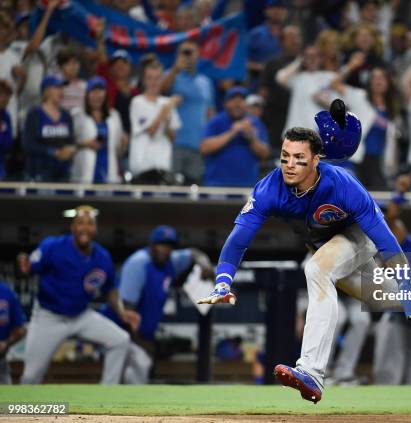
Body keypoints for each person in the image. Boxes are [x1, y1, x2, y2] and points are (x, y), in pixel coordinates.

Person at [199, 102, 411, 403]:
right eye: (285, 156)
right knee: (385, 297)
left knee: (316, 269)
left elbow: (387, 241)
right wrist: (223, 280)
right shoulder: (270, 188)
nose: (289, 164)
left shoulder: (344, 185)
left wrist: (407, 286)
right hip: (326, 247)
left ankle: (311, 372)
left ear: (316, 159)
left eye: (299, 158)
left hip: (358, 239)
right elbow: (238, 240)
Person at [17, 205, 139, 384]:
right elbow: (28, 269)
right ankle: (20, 411)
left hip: (81, 316)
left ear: (95, 229)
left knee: (120, 341)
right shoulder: (52, 246)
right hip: (49, 317)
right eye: (80, 223)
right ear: (73, 227)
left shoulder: (102, 257)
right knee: (30, 377)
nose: (85, 228)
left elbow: (110, 289)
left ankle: (108, 398)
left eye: (90, 223)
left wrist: (121, 311)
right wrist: (24, 268)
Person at [100, 225, 213, 384]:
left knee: (137, 373)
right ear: (151, 245)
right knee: (132, 369)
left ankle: (125, 406)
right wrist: (144, 343)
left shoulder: (171, 261)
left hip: (141, 334)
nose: (164, 249)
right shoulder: (139, 264)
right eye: (161, 244)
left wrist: (205, 264)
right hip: (119, 330)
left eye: (169, 246)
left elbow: (194, 253)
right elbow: (127, 311)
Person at [161, 40, 215, 185]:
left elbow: (210, 113)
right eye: (184, 52)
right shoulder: (171, 75)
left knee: (195, 190)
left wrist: (209, 140)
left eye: (190, 52)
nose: (188, 56)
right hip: (174, 144)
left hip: (198, 146)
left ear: (198, 55)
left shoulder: (205, 82)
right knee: (171, 190)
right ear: (177, 55)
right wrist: (175, 69)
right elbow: (160, 90)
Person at [200, 86, 269, 187]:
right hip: (216, 184)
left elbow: (265, 154)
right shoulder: (216, 121)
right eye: (233, 100)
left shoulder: (254, 122)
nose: (237, 104)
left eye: (241, 100)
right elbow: (204, 148)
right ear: (225, 103)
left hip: (247, 185)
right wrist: (232, 132)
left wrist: (251, 138)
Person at [129, 60, 182, 181]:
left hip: (162, 166)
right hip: (142, 167)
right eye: (150, 78)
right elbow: (151, 131)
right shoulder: (137, 102)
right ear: (143, 80)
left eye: (157, 78)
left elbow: (173, 137)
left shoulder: (166, 102)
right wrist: (165, 111)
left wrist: (168, 123)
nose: (154, 82)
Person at [71, 77, 125, 184]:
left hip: (109, 171)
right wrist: (84, 143)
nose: (97, 95)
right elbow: (69, 143)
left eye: (100, 91)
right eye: (93, 91)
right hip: (84, 172)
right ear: (87, 94)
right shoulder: (77, 115)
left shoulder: (114, 116)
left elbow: (119, 150)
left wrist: (124, 144)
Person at [23, 76, 76, 182]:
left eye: (62, 88)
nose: (61, 91)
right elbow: (28, 144)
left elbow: (71, 141)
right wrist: (53, 152)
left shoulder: (66, 116)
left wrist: (70, 150)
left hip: (63, 172)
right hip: (39, 172)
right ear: (46, 91)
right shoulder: (34, 114)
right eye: (57, 87)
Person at [259, 25, 303, 149]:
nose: (295, 41)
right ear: (282, 42)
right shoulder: (272, 64)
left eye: (297, 37)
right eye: (291, 38)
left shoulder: (307, 64)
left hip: (300, 117)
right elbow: (263, 91)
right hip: (277, 119)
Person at [0, 281, 27, 384]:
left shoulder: (5, 292)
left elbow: (21, 329)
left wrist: (6, 343)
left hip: (1, 363)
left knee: (7, 399)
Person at [0, 80, 13, 180]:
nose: (4, 98)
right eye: (1, 94)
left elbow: (8, 142)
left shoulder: (6, 116)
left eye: (7, 95)